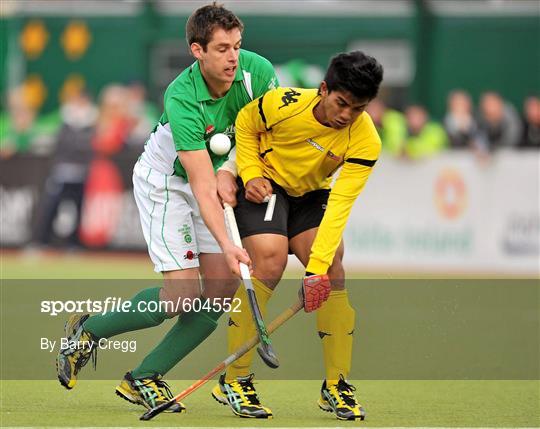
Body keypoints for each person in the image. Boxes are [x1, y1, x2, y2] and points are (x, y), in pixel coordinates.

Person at [56, 2, 280, 413]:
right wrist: (228, 244)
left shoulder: (259, 74)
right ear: (198, 51)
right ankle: (88, 331)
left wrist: (234, 171)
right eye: (222, 49)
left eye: (237, 45)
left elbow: (265, 136)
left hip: (216, 175)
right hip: (168, 182)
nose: (234, 57)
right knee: (181, 296)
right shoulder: (182, 96)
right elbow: (199, 181)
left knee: (219, 292)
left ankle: (143, 377)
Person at [210, 51, 383, 421]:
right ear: (323, 89)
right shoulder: (283, 103)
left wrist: (314, 271)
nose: (347, 116)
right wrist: (251, 173)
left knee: (333, 268)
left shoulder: (366, 140)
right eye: (341, 103)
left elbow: (340, 205)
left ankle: (336, 385)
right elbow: (245, 122)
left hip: (311, 194)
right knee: (269, 261)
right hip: (267, 184)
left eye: (358, 109)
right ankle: (235, 379)